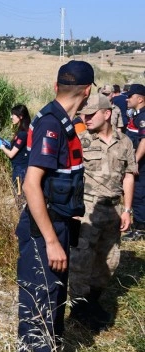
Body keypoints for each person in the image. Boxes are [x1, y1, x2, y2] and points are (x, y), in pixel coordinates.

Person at [15, 60, 91, 352]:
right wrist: (51, 241)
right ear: (87, 91)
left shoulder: (63, 123)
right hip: (44, 231)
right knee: (39, 307)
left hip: (58, 225)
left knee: (54, 303)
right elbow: (32, 185)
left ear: (57, 86)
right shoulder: (51, 125)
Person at [69, 92, 136, 331]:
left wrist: (127, 209)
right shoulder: (80, 140)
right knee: (81, 260)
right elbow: (69, 176)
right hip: (87, 209)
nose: (85, 118)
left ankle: (92, 303)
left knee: (109, 260)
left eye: (91, 114)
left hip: (114, 209)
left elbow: (129, 176)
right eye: (83, 115)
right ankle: (78, 310)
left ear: (107, 114)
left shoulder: (125, 142)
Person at [123, 84, 145, 241]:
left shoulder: (143, 117)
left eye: (130, 96)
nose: (127, 99)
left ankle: (140, 229)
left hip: (141, 164)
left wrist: (134, 162)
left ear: (140, 99)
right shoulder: (137, 115)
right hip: (138, 162)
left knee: (138, 195)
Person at [0, 104, 31, 203]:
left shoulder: (23, 133)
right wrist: (8, 143)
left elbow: (11, 154)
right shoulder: (22, 131)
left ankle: (22, 215)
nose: (11, 117)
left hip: (20, 169)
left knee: (19, 196)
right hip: (20, 167)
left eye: (13, 115)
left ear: (20, 117)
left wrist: (2, 147)